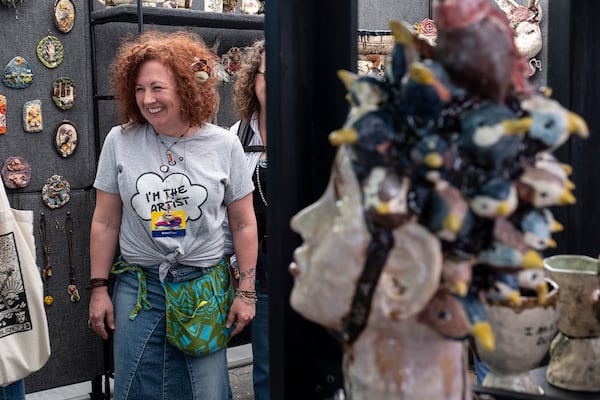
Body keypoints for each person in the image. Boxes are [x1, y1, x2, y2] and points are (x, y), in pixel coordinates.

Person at [87, 30, 258, 400]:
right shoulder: (119, 141)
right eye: (138, 89)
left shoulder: (224, 145)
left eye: (157, 88)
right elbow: (105, 220)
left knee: (206, 393)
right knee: (135, 389)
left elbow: (244, 223)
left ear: (185, 87)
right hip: (139, 290)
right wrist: (98, 288)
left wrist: (247, 292)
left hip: (203, 290)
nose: (147, 99)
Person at [227, 38, 270, 400]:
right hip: (261, 265)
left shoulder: (316, 132)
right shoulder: (235, 137)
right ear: (253, 79)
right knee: (268, 362)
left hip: (313, 264)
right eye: (269, 75)